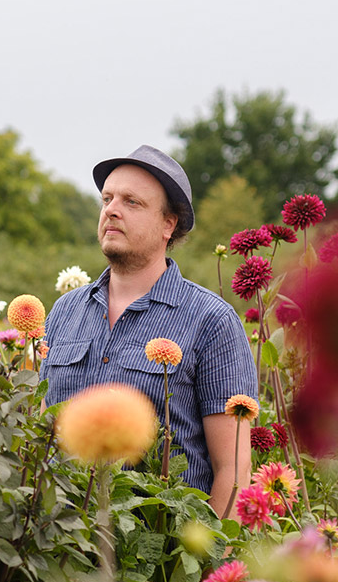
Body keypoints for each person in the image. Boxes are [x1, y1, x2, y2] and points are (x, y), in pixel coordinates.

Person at [40, 145, 257, 518]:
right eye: (106, 198)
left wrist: (209, 567)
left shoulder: (211, 321)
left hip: (158, 562)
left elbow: (233, 472)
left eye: (132, 202)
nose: (111, 209)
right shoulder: (64, 312)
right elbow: (42, 439)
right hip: (60, 556)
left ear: (168, 224)